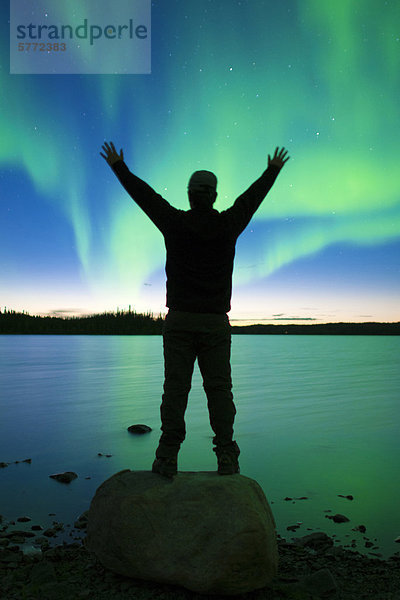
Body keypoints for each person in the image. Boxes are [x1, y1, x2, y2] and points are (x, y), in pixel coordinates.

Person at [100, 141, 290, 478]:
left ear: (190, 195)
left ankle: (167, 458)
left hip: (180, 322)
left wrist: (119, 167)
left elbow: (146, 197)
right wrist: (272, 170)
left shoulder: (173, 223)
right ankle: (226, 457)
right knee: (219, 391)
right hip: (216, 324)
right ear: (214, 196)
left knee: (175, 390)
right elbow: (251, 200)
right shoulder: (228, 224)